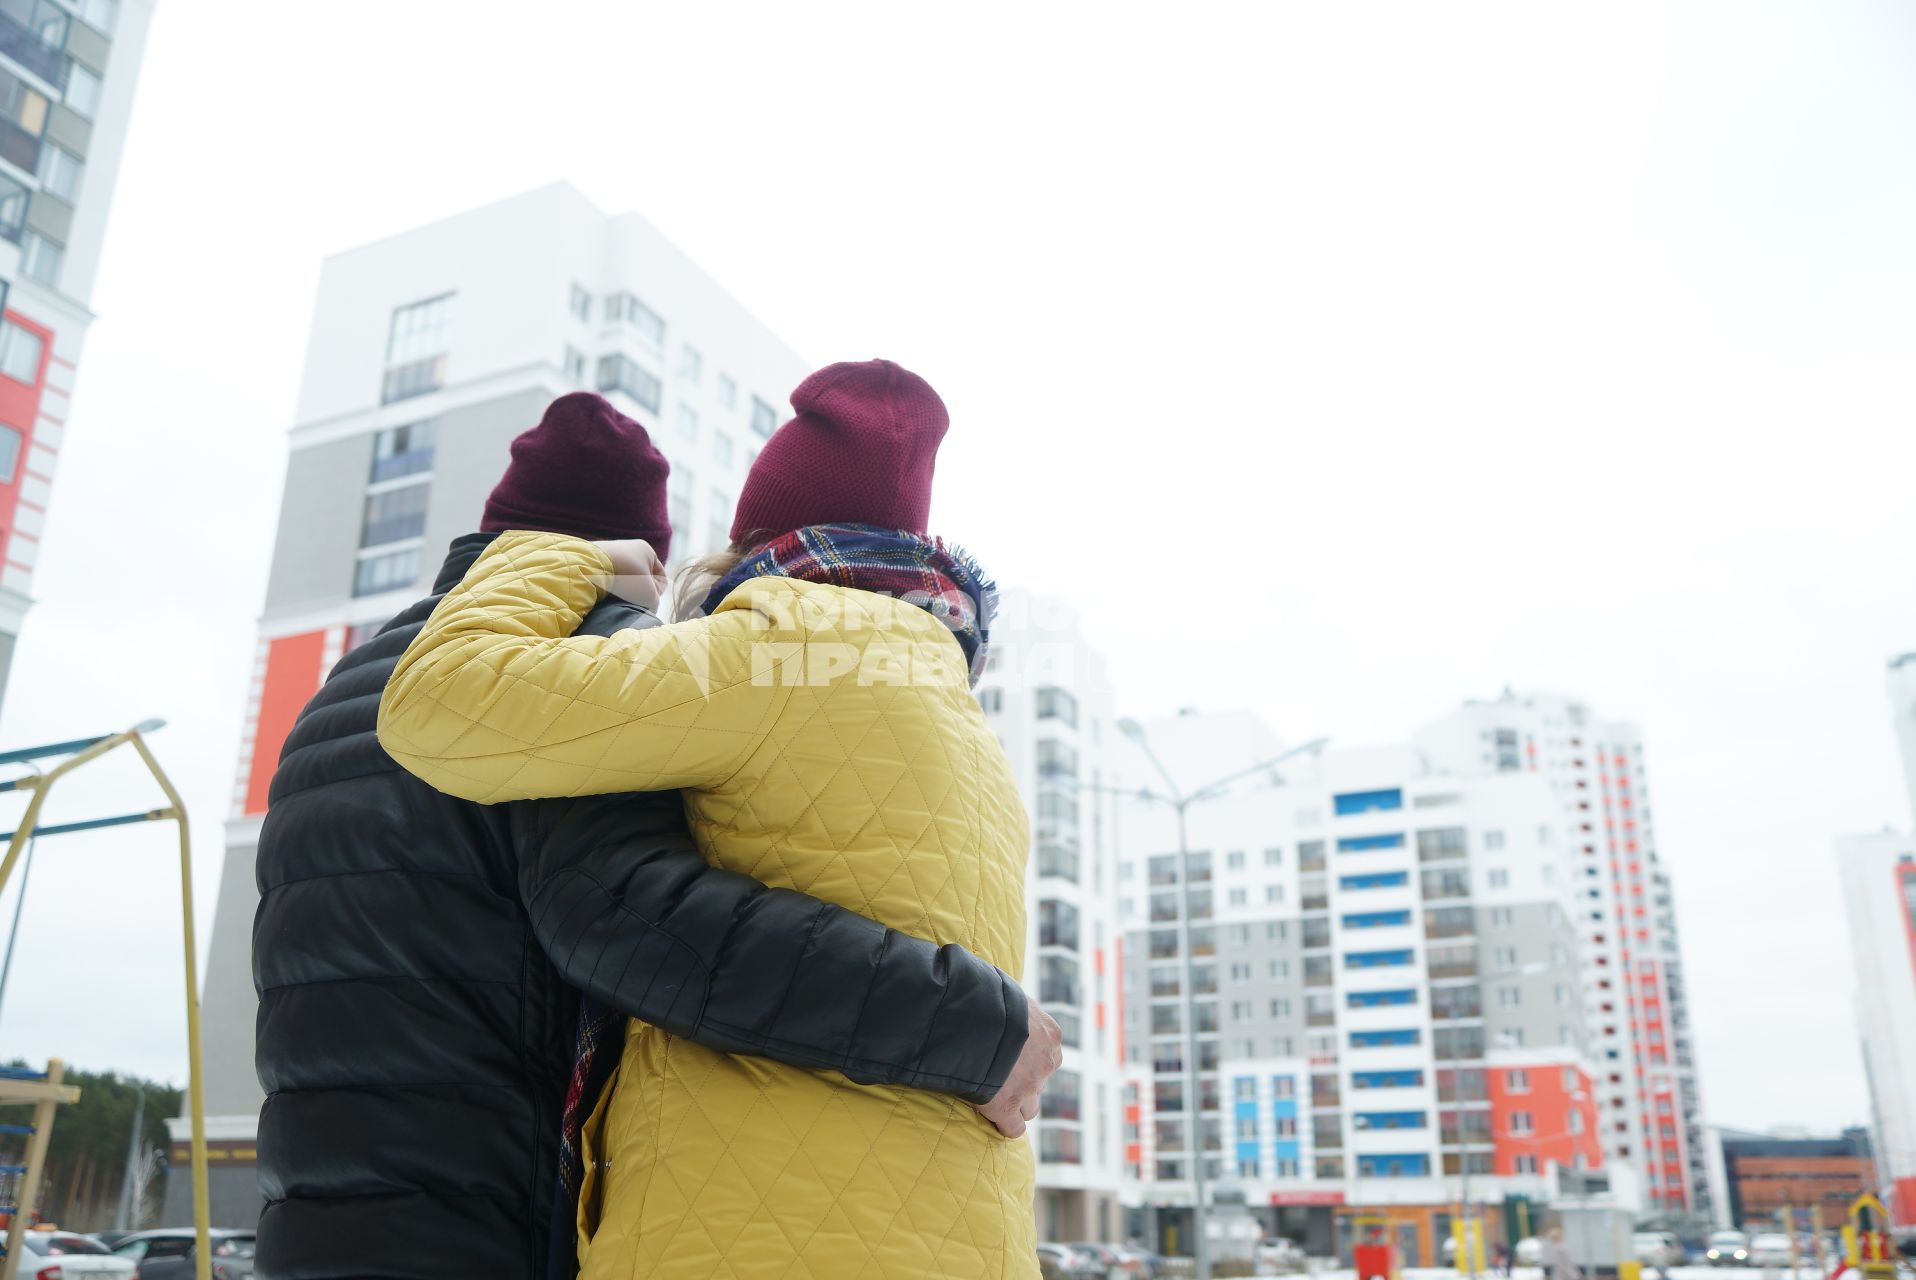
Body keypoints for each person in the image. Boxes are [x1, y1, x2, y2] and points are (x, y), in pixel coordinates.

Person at [254, 391, 1058, 1280]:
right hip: (506, 1226)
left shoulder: (330, 699)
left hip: (310, 1215)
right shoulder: (616, 658)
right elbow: (636, 918)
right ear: (626, 558)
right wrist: (981, 1029)